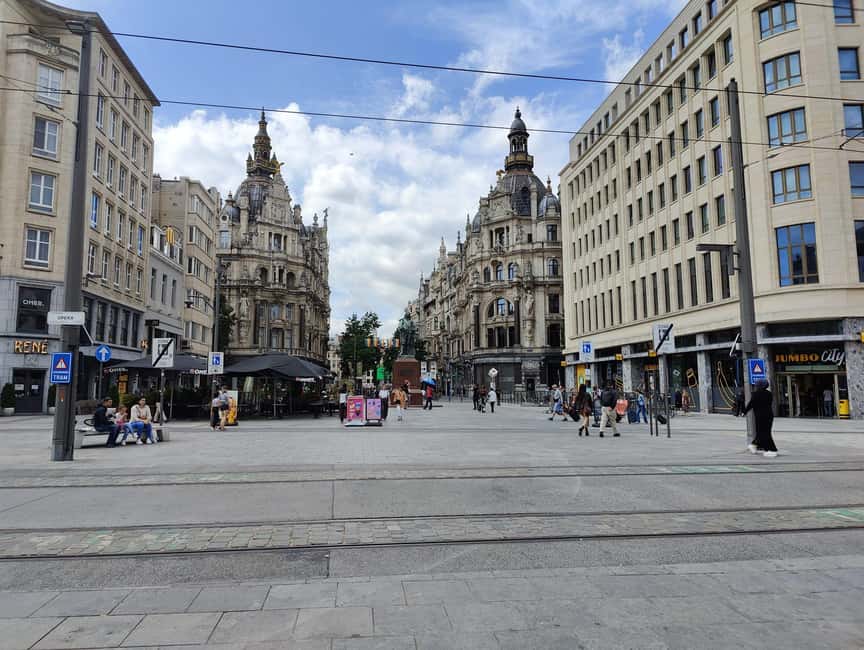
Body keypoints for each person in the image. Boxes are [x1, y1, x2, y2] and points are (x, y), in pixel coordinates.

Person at [743, 379, 778, 457]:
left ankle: (771, 449)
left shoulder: (755, 394)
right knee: (765, 432)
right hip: (769, 416)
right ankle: (755, 445)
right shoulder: (769, 394)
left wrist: (744, 412)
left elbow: (751, 404)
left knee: (763, 432)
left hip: (760, 416)